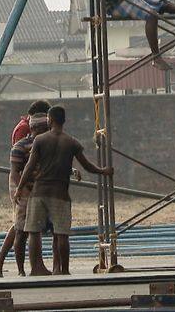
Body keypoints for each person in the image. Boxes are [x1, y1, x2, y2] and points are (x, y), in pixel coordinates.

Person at [15, 106, 113, 276]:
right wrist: (104, 171)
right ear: (64, 121)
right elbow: (87, 166)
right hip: (60, 194)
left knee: (33, 231)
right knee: (61, 234)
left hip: (39, 192)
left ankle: (36, 269)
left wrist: (19, 188)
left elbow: (29, 167)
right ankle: (64, 270)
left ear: (49, 120)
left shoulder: (40, 140)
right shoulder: (72, 142)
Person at [0, 113, 50, 277]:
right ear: (36, 128)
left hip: (37, 188)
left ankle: (4, 264)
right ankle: (15, 268)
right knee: (21, 228)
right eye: (46, 128)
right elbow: (15, 173)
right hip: (22, 187)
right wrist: (22, 190)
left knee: (27, 227)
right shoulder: (21, 145)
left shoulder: (47, 144)